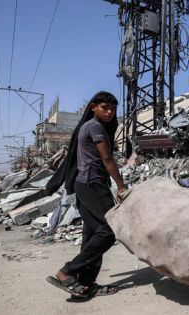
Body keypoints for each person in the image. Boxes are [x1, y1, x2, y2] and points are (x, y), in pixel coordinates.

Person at [45, 91, 126, 300]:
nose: (109, 113)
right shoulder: (95, 127)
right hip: (93, 185)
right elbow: (107, 159)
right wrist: (121, 186)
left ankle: (86, 284)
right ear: (93, 107)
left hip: (83, 185)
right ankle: (68, 271)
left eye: (113, 109)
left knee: (92, 234)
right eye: (105, 108)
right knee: (108, 231)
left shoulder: (87, 127)